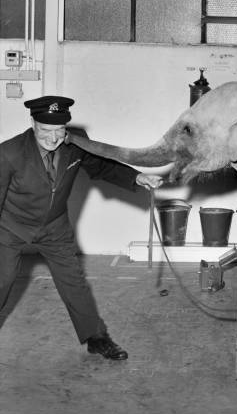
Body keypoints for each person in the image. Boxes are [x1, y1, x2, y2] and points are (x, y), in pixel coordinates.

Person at [0, 96, 163, 359]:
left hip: (54, 228)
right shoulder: (9, 153)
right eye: (45, 130)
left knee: (74, 283)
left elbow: (101, 167)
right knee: (2, 280)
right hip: (11, 228)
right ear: (32, 123)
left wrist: (137, 176)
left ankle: (96, 338)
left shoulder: (75, 141)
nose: (53, 139)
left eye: (59, 130)